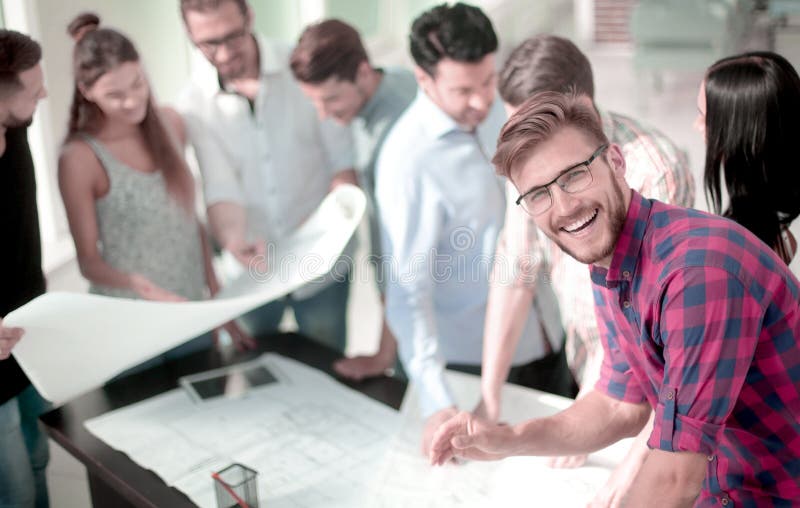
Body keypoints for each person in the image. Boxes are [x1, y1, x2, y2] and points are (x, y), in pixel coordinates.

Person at [430, 91, 800, 507]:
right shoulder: (611, 259)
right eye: (539, 195)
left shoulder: (694, 273)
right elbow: (618, 405)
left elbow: (675, 478)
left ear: (617, 163)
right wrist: (507, 439)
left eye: (573, 175)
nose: (565, 207)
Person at [376, 3, 570, 455]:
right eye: (464, 90)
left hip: (549, 334)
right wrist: (436, 400)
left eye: (488, 81)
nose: (483, 101)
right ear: (424, 79)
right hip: (472, 368)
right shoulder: (408, 161)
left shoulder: (498, 112)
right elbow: (408, 290)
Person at [58, 14, 253, 369]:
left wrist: (216, 303)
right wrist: (144, 287)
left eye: (137, 84)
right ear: (87, 92)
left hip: (189, 313)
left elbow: (188, 222)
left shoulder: (171, 124)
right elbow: (89, 262)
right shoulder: (80, 157)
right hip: (128, 323)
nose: (132, 101)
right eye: (115, 95)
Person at [177, 0, 357, 354]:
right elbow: (220, 184)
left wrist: (323, 229)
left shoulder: (303, 68)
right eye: (209, 43)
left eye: (233, 36)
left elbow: (343, 164)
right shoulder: (193, 103)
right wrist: (232, 238)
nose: (225, 53)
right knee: (256, 378)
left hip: (322, 267)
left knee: (327, 371)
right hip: (252, 275)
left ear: (250, 17)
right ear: (190, 36)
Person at [289, 19, 416, 380]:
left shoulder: (396, 135)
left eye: (330, 99)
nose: (324, 114)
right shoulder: (390, 80)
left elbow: (406, 261)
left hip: (422, 310)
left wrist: (382, 355)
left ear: (362, 72)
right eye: (314, 102)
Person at [0, 29, 50, 508]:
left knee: (39, 460)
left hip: (33, 340)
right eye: (34, 90)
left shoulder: (17, 126)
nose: (44, 95)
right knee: (12, 491)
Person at [697, 50, 800, 265]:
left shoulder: (733, 249)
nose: (696, 125)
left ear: (739, 133)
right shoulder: (781, 237)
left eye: (705, 117)